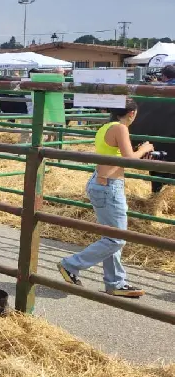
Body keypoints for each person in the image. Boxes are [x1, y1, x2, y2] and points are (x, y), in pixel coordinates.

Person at [57, 98, 153, 298]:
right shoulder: (120, 128)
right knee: (116, 239)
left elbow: (118, 157)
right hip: (109, 186)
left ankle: (115, 282)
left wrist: (137, 154)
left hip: (101, 182)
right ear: (132, 113)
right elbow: (128, 158)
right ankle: (71, 265)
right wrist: (144, 149)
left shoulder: (105, 127)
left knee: (111, 237)